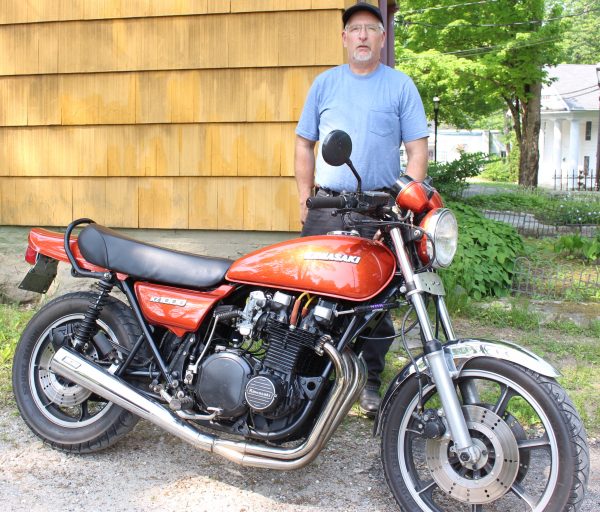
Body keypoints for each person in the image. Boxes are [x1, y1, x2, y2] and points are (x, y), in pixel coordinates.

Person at [294, 2, 429, 417]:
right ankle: (308, 382)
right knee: (312, 294)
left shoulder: (400, 86)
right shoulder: (324, 84)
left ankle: (369, 381)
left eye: (372, 28)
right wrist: (303, 196)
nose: (364, 36)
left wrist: (409, 203)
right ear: (345, 38)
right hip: (328, 204)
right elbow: (304, 142)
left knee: (376, 302)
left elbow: (417, 149)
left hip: (379, 207)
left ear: (382, 37)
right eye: (356, 29)